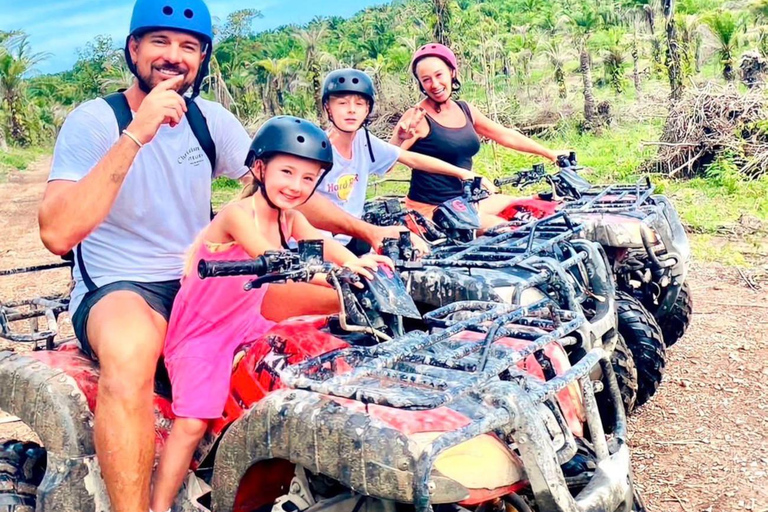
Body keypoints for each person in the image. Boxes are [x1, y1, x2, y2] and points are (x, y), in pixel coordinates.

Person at [36, 1, 258, 511]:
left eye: (188, 47)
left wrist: (360, 238)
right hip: (122, 286)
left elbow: (269, 185)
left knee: (307, 325)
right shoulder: (94, 121)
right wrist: (138, 132)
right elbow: (57, 232)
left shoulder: (210, 119)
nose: (173, 57)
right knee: (131, 355)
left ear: (201, 58)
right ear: (133, 49)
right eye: (159, 42)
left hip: (198, 278)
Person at [149, 116, 389, 512]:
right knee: (192, 421)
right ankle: (158, 505)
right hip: (204, 334)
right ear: (259, 168)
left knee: (313, 357)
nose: (296, 185)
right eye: (287, 172)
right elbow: (270, 257)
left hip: (251, 321)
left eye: (308, 178)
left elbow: (325, 244)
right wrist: (324, 274)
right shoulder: (236, 214)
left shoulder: (291, 216)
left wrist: (362, 267)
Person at [300, 68, 493, 255]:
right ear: (328, 107)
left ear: (368, 109)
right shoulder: (318, 150)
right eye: (342, 103)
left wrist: (465, 173)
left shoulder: (363, 140)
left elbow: (409, 159)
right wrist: (369, 232)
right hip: (315, 245)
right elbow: (302, 203)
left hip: (350, 239)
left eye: (359, 104)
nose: (351, 110)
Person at [391, 43, 568, 229]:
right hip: (434, 210)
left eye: (439, 75)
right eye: (426, 79)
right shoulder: (416, 117)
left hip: (466, 202)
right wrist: (400, 138)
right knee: (508, 230)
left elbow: (505, 135)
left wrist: (550, 153)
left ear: (452, 72)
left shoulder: (465, 110)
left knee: (535, 207)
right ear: (420, 83)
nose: (434, 85)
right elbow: (387, 161)